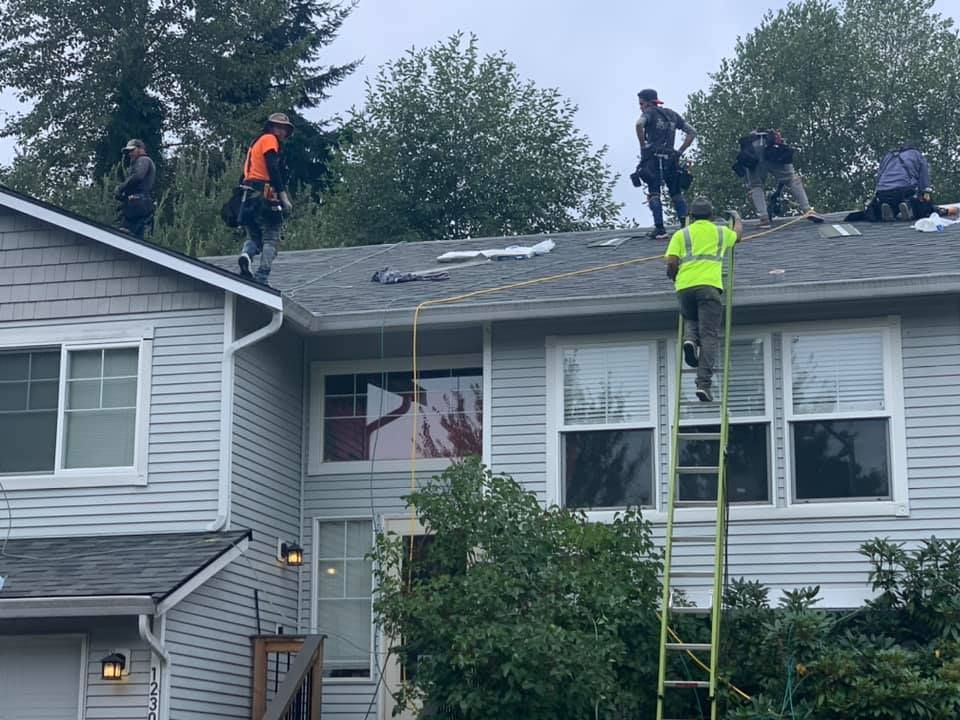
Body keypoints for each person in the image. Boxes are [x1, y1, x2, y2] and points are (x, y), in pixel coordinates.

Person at [665, 197, 742, 402]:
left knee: (691, 317)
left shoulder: (681, 234)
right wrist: (736, 218)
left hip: (684, 287)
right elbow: (738, 236)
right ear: (711, 215)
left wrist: (673, 276)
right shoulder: (720, 232)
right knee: (709, 336)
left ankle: (690, 340)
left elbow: (672, 262)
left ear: (691, 216)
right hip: (709, 287)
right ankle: (703, 385)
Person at [237, 112, 295, 285]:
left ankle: (246, 255)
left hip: (248, 195)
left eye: (283, 129)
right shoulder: (270, 140)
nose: (281, 132)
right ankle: (262, 277)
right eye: (279, 127)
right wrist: (283, 195)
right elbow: (272, 167)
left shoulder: (255, 144)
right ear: (271, 127)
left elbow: (244, 175)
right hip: (265, 194)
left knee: (254, 236)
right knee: (271, 238)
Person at [633, 89, 696, 240]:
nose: (640, 107)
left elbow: (638, 125)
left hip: (653, 159)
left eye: (641, 104)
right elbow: (692, 132)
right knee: (675, 192)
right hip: (671, 159)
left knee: (654, 192)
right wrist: (680, 151)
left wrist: (643, 145)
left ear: (648, 103)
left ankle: (660, 228)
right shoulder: (672, 114)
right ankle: (685, 224)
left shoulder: (649, 113)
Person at [733, 128, 820, 226]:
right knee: (792, 179)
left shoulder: (751, 138)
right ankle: (807, 210)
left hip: (752, 150)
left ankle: (763, 217)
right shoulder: (773, 134)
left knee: (756, 185)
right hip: (772, 147)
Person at [114, 139, 156, 240]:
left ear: (140, 149)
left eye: (132, 150)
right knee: (136, 235)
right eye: (129, 152)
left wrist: (121, 187)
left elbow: (138, 176)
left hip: (137, 201)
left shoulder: (143, 160)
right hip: (141, 201)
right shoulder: (143, 162)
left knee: (125, 232)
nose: (130, 154)